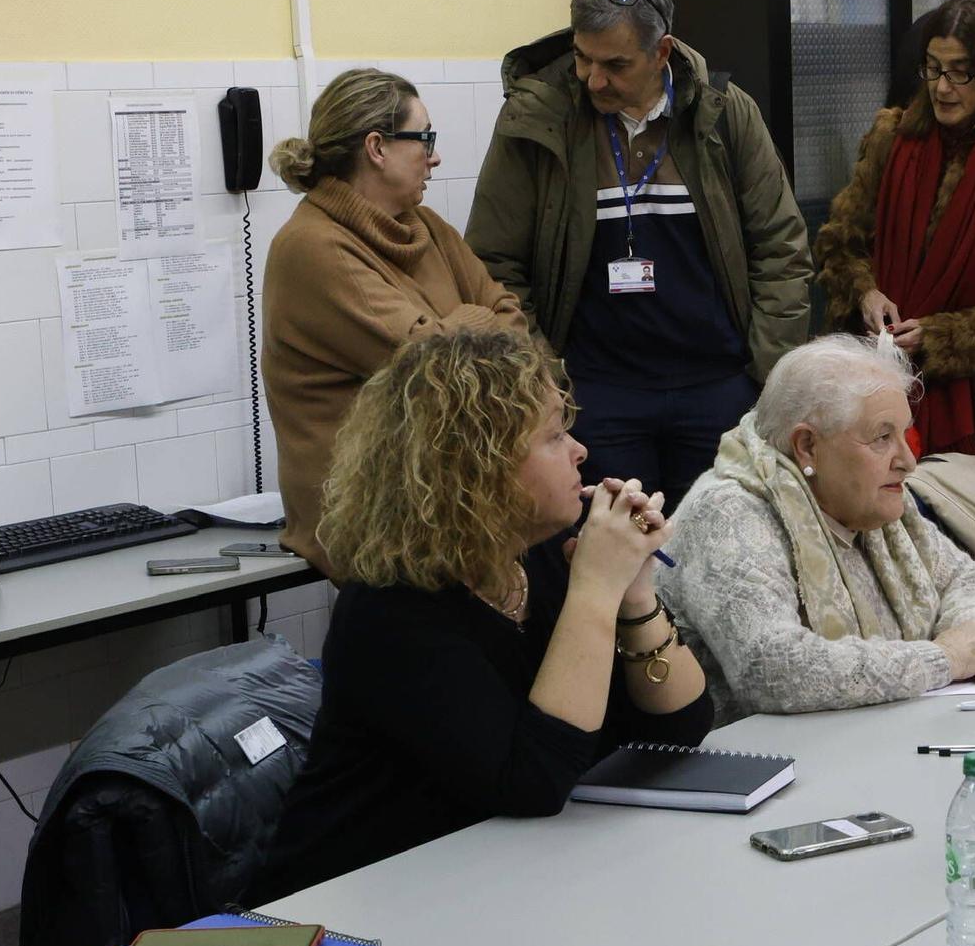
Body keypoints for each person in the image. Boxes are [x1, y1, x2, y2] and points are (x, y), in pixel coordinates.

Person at [255, 330, 711, 900]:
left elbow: (682, 727)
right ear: (478, 468)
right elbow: (534, 783)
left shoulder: (542, 556)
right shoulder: (390, 612)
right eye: (552, 436)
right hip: (360, 908)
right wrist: (595, 589)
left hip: (501, 880)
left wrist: (635, 593)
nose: (580, 450)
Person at [466, 0, 811, 511]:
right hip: (595, 395)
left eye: (616, 65)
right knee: (615, 564)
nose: (593, 79)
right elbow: (493, 266)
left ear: (662, 53)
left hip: (719, 389)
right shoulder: (538, 118)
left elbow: (782, 248)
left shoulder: (725, 114)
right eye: (582, 59)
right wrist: (546, 381)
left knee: (717, 563)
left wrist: (764, 374)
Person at [659, 333, 975, 725]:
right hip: (755, 767)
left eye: (904, 434)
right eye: (882, 437)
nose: (907, 461)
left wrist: (968, 636)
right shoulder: (728, 513)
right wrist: (946, 659)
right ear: (807, 446)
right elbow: (773, 669)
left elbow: (971, 577)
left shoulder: (872, 498)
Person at [262, 67, 524, 571]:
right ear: (377, 148)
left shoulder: (424, 224)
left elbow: (512, 319)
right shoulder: (312, 248)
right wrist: (472, 321)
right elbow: (434, 369)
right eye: (424, 139)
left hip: (442, 500)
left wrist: (457, 329)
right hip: (371, 520)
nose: (436, 156)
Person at [815, 0, 975, 485]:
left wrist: (944, 337)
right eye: (933, 69)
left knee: (971, 548)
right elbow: (839, 242)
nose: (943, 88)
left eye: (961, 73)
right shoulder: (891, 140)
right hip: (874, 382)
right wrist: (864, 292)